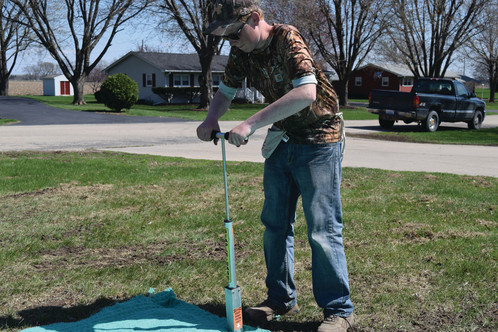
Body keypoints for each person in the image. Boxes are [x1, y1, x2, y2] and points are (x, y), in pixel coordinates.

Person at [197, 1, 354, 331]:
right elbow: (225, 91)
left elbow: (307, 93)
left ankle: (339, 310)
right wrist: (212, 118)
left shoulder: (287, 38)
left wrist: (250, 124)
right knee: (275, 224)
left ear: (255, 18)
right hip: (285, 137)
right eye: (224, 36)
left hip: (320, 138)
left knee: (322, 228)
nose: (231, 41)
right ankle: (279, 300)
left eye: (234, 32)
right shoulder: (242, 51)